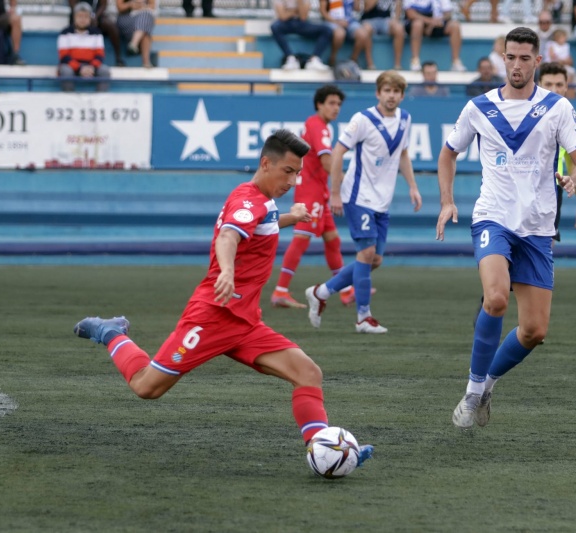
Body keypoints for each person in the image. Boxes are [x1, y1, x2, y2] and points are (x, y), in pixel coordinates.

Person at [72, 129, 374, 472]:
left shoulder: (264, 201)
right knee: (146, 387)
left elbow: (264, 223)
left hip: (245, 322)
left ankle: (325, 449)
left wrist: (293, 217)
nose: (294, 179)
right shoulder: (248, 201)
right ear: (265, 163)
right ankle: (110, 332)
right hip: (213, 316)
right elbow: (229, 236)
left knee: (308, 373)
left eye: (298, 173)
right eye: (288, 171)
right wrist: (226, 273)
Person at [436, 27, 576, 429]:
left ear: (537, 61)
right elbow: (448, 153)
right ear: (502, 58)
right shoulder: (478, 108)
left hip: (538, 228)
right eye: (511, 57)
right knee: (495, 299)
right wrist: (447, 200)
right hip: (493, 217)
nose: (518, 65)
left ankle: (488, 385)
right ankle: (471, 394)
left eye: (525, 58)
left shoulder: (557, 108)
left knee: (535, 330)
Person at [305, 71, 422, 334]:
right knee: (367, 254)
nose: (391, 95)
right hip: (358, 196)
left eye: (396, 91)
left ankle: (320, 291)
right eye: (387, 90)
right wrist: (335, 192)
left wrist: (413, 187)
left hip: (382, 199)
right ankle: (363, 318)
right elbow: (338, 151)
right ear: (378, 93)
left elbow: (402, 153)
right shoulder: (363, 119)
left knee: (375, 259)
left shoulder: (405, 119)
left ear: (402, 95)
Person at [271, 85, 358, 309]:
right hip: (310, 192)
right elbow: (327, 162)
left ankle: (346, 290)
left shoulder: (321, 126)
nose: (336, 108)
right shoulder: (317, 126)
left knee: (332, 240)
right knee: (301, 239)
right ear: (319, 104)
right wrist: (347, 182)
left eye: (339, 104)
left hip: (319, 192)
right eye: (331, 103)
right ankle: (280, 290)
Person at [538, 62, 576, 242]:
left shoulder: (568, 119)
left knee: (546, 252)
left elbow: (574, 162)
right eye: (548, 84)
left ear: (566, 87)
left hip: (552, 191)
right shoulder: (524, 114)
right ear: (538, 86)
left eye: (559, 85)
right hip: (522, 188)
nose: (554, 89)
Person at [58, 2, 111, 92]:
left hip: (91, 65)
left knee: (104, 70)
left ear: (90, 18)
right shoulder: (65, 33)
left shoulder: (97, 33)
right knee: (66, 71)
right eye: (80, 16)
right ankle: (69, 99)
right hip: (72, 65)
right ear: (74, 17)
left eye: (86, 16)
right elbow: (64, 57)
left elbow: (100, 55)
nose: (83, 19)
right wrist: (79, 68)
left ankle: (100, 100)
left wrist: (91, 67)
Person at [403, 0, 466, 72]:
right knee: (418, 24)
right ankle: (415, 60)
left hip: (437, 23)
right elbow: (410, 14)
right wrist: (429, 21)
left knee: (455, 25)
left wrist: (436, 22)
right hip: (417, 22)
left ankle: (456, 62)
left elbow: (448, 13)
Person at [272, 0, 332, 71]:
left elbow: (303, 17)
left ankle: (314, 60)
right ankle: (291, 58)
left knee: (326, 30)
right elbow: (283, 16)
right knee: (275, 27)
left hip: (301, 24)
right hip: (286, 24)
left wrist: (297, 4)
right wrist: (296, 11)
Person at [68, 0, 124, 67]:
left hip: (96, 15)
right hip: (79, 14)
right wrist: (85, 17)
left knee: (111, 26)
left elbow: (103, 5)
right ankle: (73, 58)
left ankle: (118, 58)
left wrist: (95, 17)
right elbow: (73, 5)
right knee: (76, 24)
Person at [320, 0, 372, 67]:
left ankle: (353, 60)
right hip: (332, 21)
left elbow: (357, 8)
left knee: (363, 35)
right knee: (340, 34)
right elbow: (323, 11)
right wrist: (336, 22)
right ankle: (332, 59)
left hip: (350, 21)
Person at [360, 0, 405, 71]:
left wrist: (396, 20)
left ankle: (397, 65)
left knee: (399, 29)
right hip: (368, 20)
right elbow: (367, 8)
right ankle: (370, 65)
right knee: (366, 30)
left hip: (386, 20)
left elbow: (398, 6)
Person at [115, 0, 155, 68]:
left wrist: (142, 7)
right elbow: (120, 8)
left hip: (143, 18)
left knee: (145, 21)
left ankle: (133, 44)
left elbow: (152, 6)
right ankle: (146, 62)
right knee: (144, 29)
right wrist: (130, 5)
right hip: (126, 19)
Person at [545, 27, 576, 97]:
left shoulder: (566, 46)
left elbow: (569, 60)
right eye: (562, 37)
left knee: (569, 77)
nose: (564, 39)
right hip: (552, 67)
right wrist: (561, 61)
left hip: (563, 67)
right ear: (557, 38)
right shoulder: (551, 45)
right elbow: (553, 57)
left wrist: (563, 61)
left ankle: (568, 97)